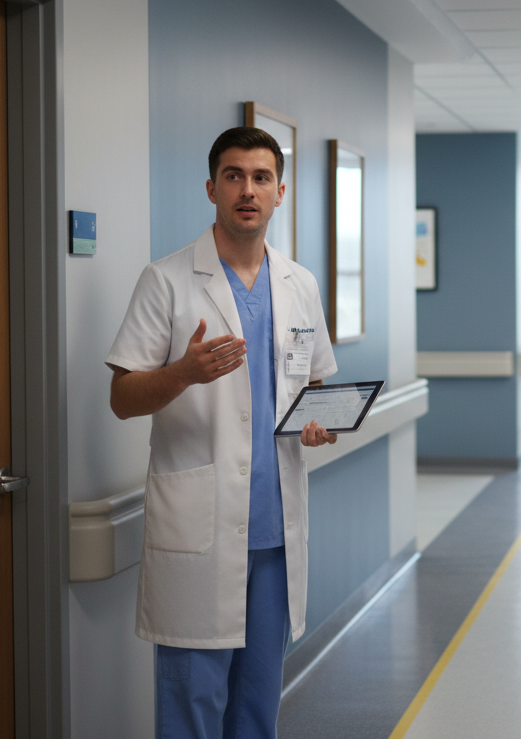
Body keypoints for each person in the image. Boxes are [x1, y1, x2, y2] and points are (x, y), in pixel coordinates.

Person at [106, 127, 338, 739]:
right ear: (212, 188)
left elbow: (311, 385)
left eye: (261, 178)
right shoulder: (168, 279)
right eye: (233, 176)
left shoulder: (300, 284)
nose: (247, 190)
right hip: (200, 530)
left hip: (274, 536)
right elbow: (122, 398)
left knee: (257, 710)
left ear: (280, 193)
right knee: (192, 709)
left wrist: (316, 425)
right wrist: (183, 372)